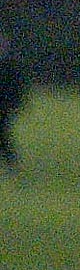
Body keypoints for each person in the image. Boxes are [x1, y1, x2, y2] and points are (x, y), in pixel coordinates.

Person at [0, 34, 26, 174]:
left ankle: (11, 161)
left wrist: (17, 102)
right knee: (3, 133)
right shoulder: (10, 65)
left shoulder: (9, 66)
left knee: (2, 132)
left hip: (3, 104)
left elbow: (16, 86)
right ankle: (11, 161)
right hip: (5, 103)